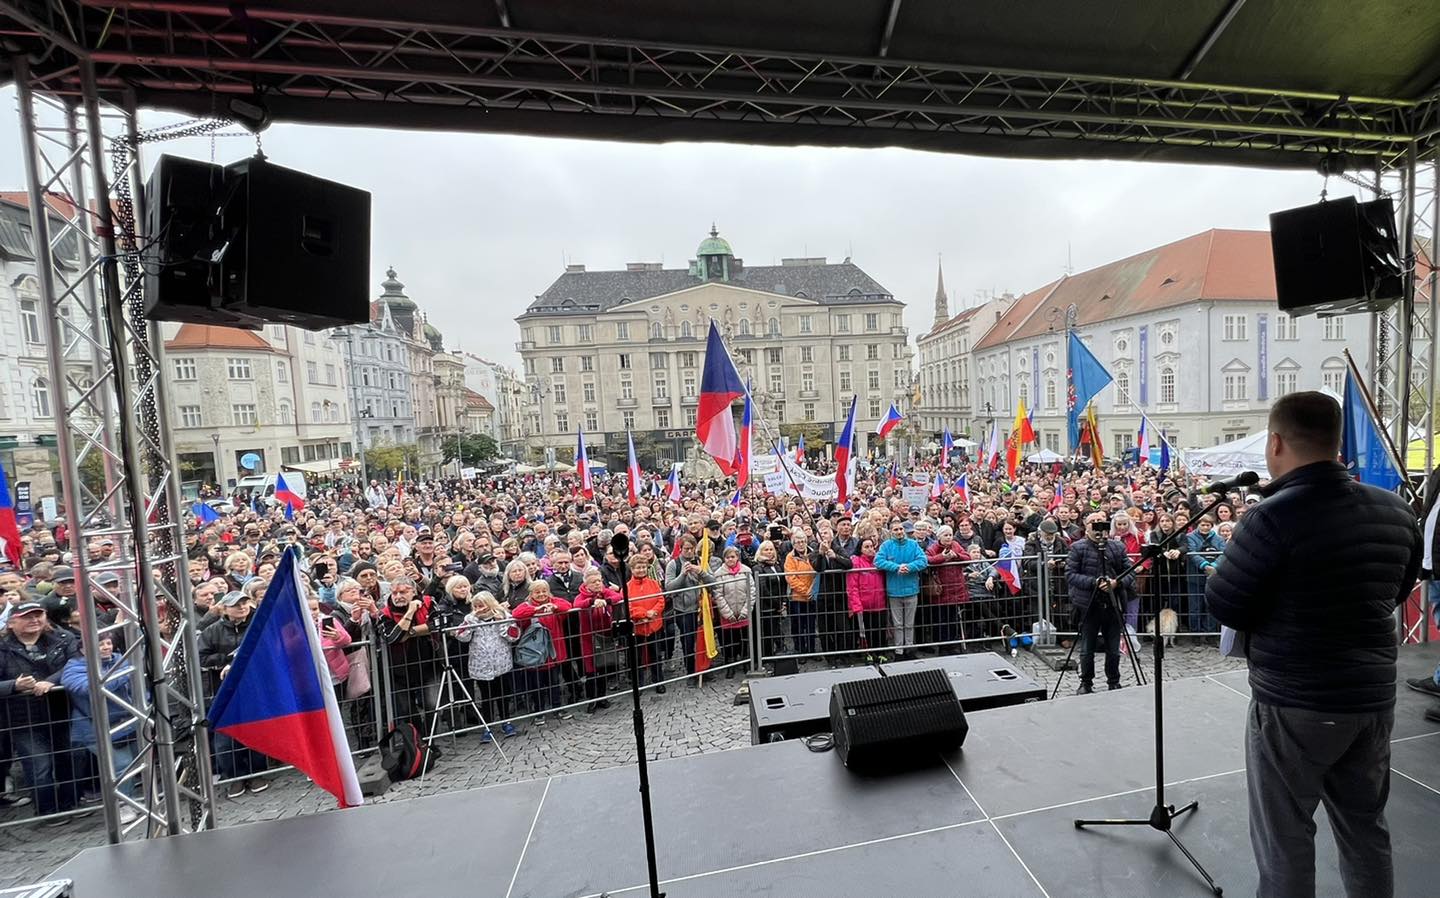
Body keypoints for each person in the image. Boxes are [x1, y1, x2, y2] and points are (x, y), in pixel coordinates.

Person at [1207, 391, 1421, 898]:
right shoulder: (1395, 512)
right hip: (1371, 700)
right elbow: (1397, 592)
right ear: (1337, 440)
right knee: (1366, 830)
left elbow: (1226, 604)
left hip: (1296, 702)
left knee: (1285, 840)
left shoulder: (1271, 517)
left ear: (1275, 442)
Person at [0, 601, 81, 823]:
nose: (34, 620)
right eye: (27, 616)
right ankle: (47, 810)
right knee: (39, 764)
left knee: (70, 757)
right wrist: (13, 686)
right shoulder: (2, 647)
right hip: (22, 718)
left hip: (61, 710)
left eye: (38, 615)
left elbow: (76, 663)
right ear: (12, 622)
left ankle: (71, 803)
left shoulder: (63, 639)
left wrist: (50, 682)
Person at [1065, 512, 1134, 695]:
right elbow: (1070, 574)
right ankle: (1086, 682)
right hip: (1088, 604)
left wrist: (1116, 582)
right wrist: (1094, 582)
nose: (1097, 526)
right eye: (1092, 523)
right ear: (1085, 526)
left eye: (1100, 523)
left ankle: (1114, 681)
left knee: (1113, 648)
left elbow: (1130, 572)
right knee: (1087, 647)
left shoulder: (1117, 546)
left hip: (1113, 603)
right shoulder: (1077, 548)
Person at [454, 589, 519, 739]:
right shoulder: (470, 619)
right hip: (481, 664)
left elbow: (513, 636)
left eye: (482, 606)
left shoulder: (504, 616)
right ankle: (487, 725)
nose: (479, 609)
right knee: (486, 696)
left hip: (501, 663)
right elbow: (461, 636)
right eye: (476, 606)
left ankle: (506, 721)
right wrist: (470, 621)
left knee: (503, 694)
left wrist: (501, 622)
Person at [873, 518, 928, 658]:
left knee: (909, 623)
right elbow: (878, 561)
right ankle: (899, 650)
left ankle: (909, 648)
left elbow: (923, 561)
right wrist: (896, 567)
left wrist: (909, 567)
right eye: (896, 529)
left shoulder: (913, 544)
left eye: (901, 529)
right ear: (891, 532)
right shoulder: (886, 546)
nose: (899, 532)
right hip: (894, 590)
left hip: (911, 589)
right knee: (897, 624)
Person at [708, 545, 754, 677]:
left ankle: (746, 661)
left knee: (744, 639)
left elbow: (751, 592)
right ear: (724, 559)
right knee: (729, 640)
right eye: (727, 557)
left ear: (737, 557)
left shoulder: (746, 571)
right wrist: (728, 613)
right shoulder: (719, 574)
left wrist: (746, 611)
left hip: (743, 612)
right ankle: (731, 664)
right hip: (727, 614)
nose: (730, 559)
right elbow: (718, 595)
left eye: (733, 557)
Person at [846, 536, 889, 660]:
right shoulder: (856, 562)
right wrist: (856, 605)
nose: (870, 549)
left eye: (872, 546)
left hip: (880, 603)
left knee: (880, 630)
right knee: (866, 631)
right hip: (864, 605)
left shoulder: (879, 561)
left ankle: (881, 652)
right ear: (860, 549)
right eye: (866, 547)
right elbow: (852, 586)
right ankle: (868, 653)